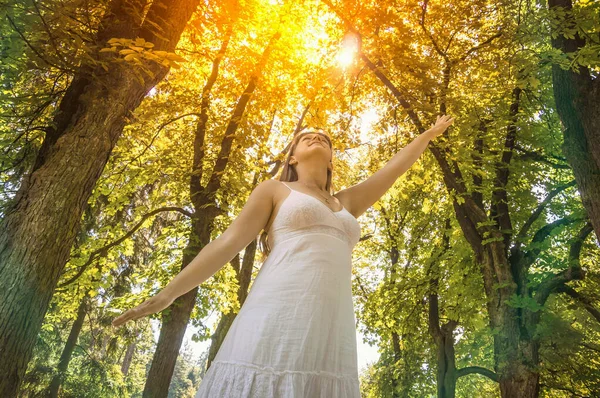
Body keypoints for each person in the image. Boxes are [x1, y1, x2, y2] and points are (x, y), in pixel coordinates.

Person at [111, 114, 454, 397]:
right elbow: (228, 242)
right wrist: (168, 293)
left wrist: (427, 135)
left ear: (333, 158)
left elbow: (391, 170)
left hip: (330, 326)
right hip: (276, 314)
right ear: (292, 157)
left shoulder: (346, 203)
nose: (317, 137)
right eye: (307, 137)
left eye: (324, 138)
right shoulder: (275, 190)